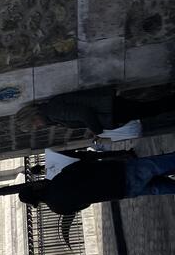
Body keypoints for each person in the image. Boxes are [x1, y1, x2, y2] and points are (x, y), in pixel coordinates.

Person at [17, 151, 175, 215]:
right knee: (160, 164)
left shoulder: (57, 207)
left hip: (119, 191)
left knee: (160, 187)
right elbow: (83, 164)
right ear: (35, 188)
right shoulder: (59, 179)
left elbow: (85, 205)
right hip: (118, 173)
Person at [25, 88, 175, 136]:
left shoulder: (53, 111)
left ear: (33, 116)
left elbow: (83, 113)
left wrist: (97, 131)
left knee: (151, 109)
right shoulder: (51, 112)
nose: (38, 126)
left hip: (109, 109)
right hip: (109, 108)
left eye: (34, 123)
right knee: (150, 108)